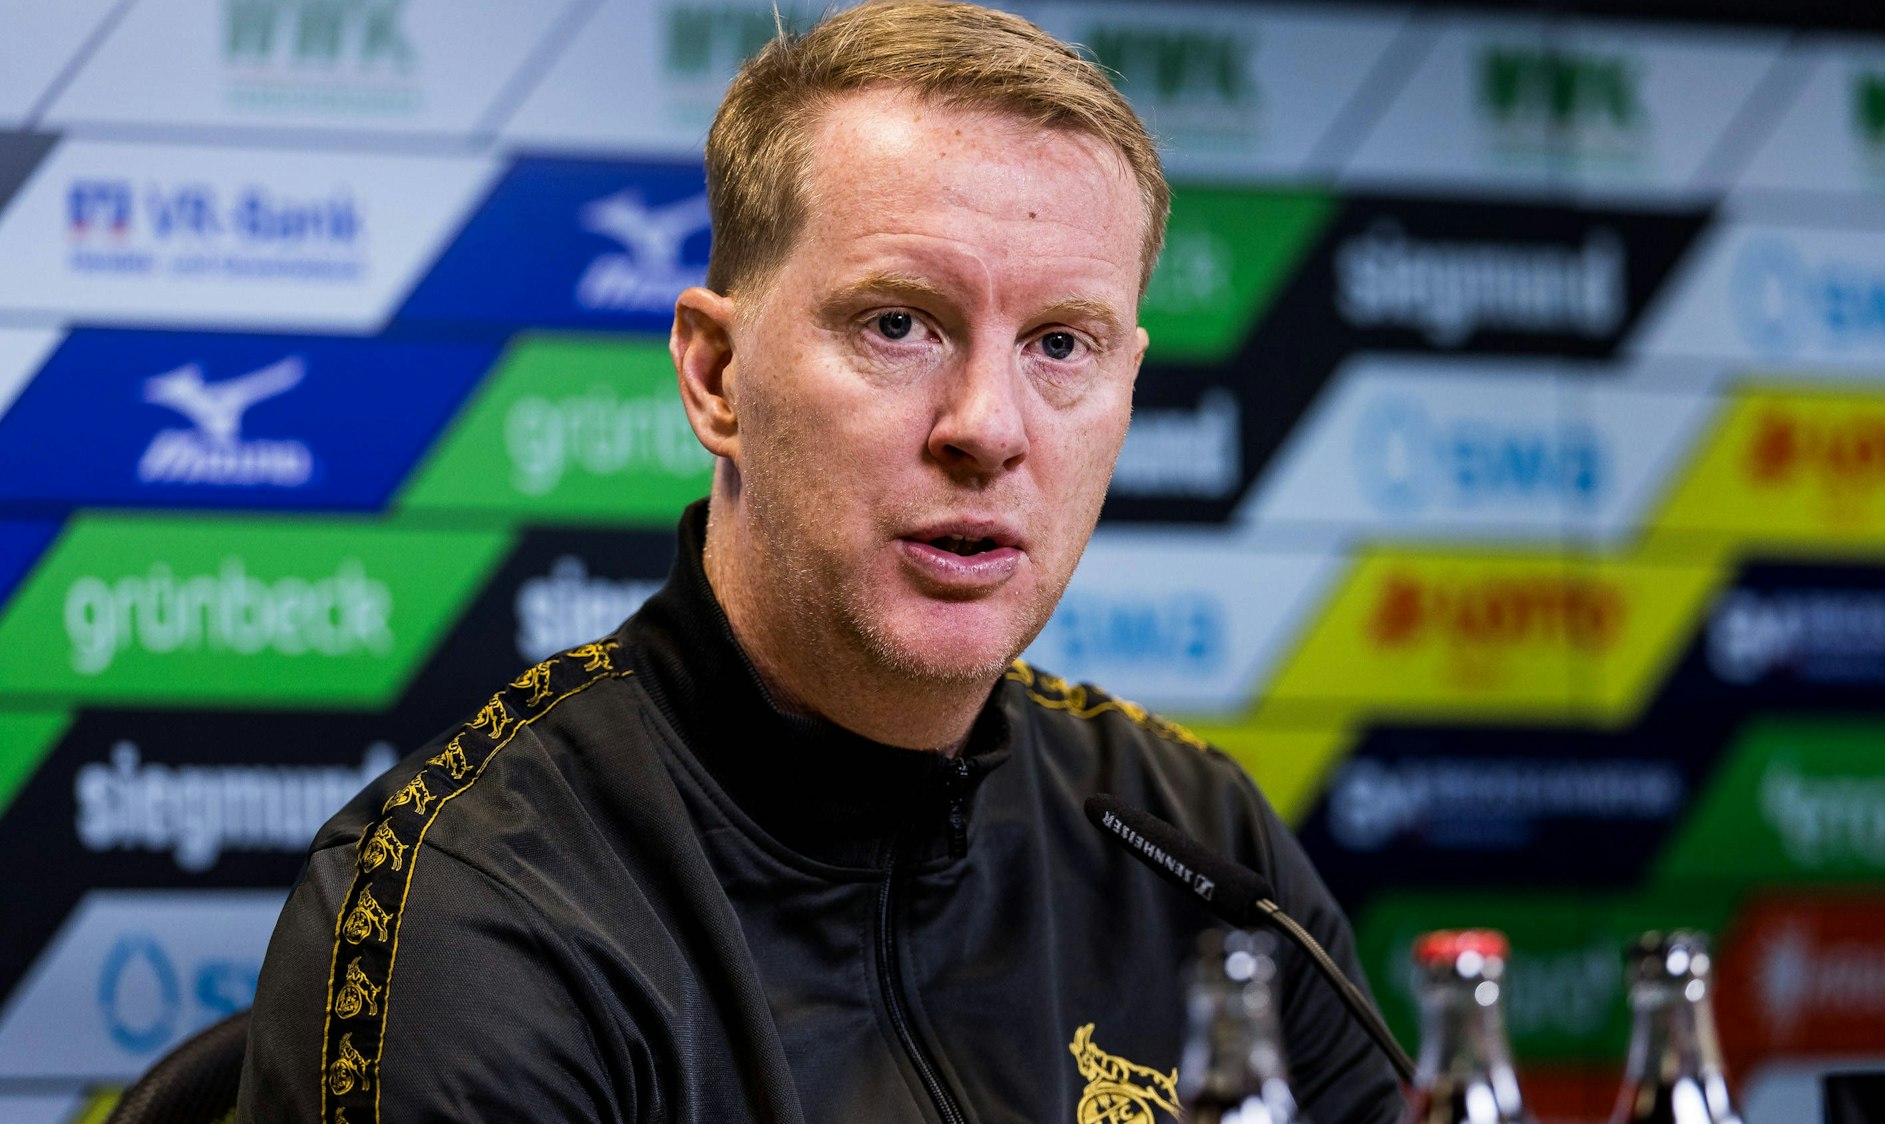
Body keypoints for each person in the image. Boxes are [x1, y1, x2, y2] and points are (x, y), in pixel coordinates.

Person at [237, 3, 1402, 1121]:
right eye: (898, 323)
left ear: (1127, 387)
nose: (987, 425)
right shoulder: (480, 901)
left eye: (1059, 343)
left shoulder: (1198, 846)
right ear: (714, 376)